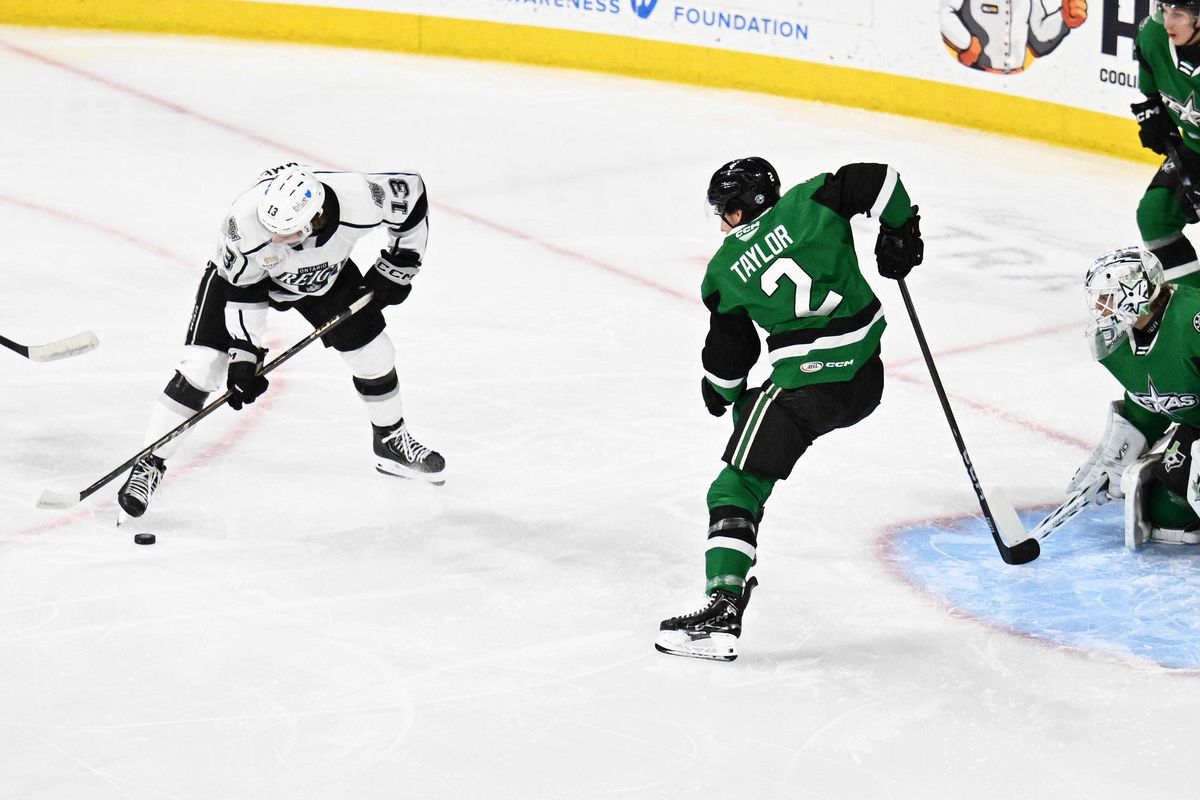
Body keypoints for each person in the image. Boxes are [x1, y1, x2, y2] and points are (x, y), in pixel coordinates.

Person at [655, 157, 924, 661]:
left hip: (807, 390)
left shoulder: (722, 271)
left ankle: (722, 606)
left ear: (743, 206)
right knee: (754, 414)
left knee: (734, 485)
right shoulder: (812, 200)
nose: (721, 224)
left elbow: (731, 355)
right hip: (865, 377)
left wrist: (720, 390)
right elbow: (878, 179)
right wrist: (900, 230)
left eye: (725, 212)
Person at [116, 163, 445, 519]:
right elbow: (243, 287)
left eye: (284, 233)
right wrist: (246, 351)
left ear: (314, 220)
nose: (272, 238)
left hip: (325, 276)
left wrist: (399, 264)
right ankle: (150, 462)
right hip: (246, 282)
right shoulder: (244, 223)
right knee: (204, 367)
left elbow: (410, 196)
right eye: (270, 229)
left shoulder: (361, 198)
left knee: (376, 355)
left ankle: (390, 442)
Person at [1068, 246, 1200, 547]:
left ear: (1136, 294)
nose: (1100, 308)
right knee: (1168, 514)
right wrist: (1125, 444)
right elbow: (1156, 396)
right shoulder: (1123, 341)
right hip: (1196, 424)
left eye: (1107, 297)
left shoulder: (1192, 320)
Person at [1131, 1, 1200, 288]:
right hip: (1195, 148)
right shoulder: (1154, 37)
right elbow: (1151, 94)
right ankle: (1193, 305)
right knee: (1155, 215)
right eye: (1166, 11)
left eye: (1179, 14)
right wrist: (1153, 115)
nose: (1169, 22)